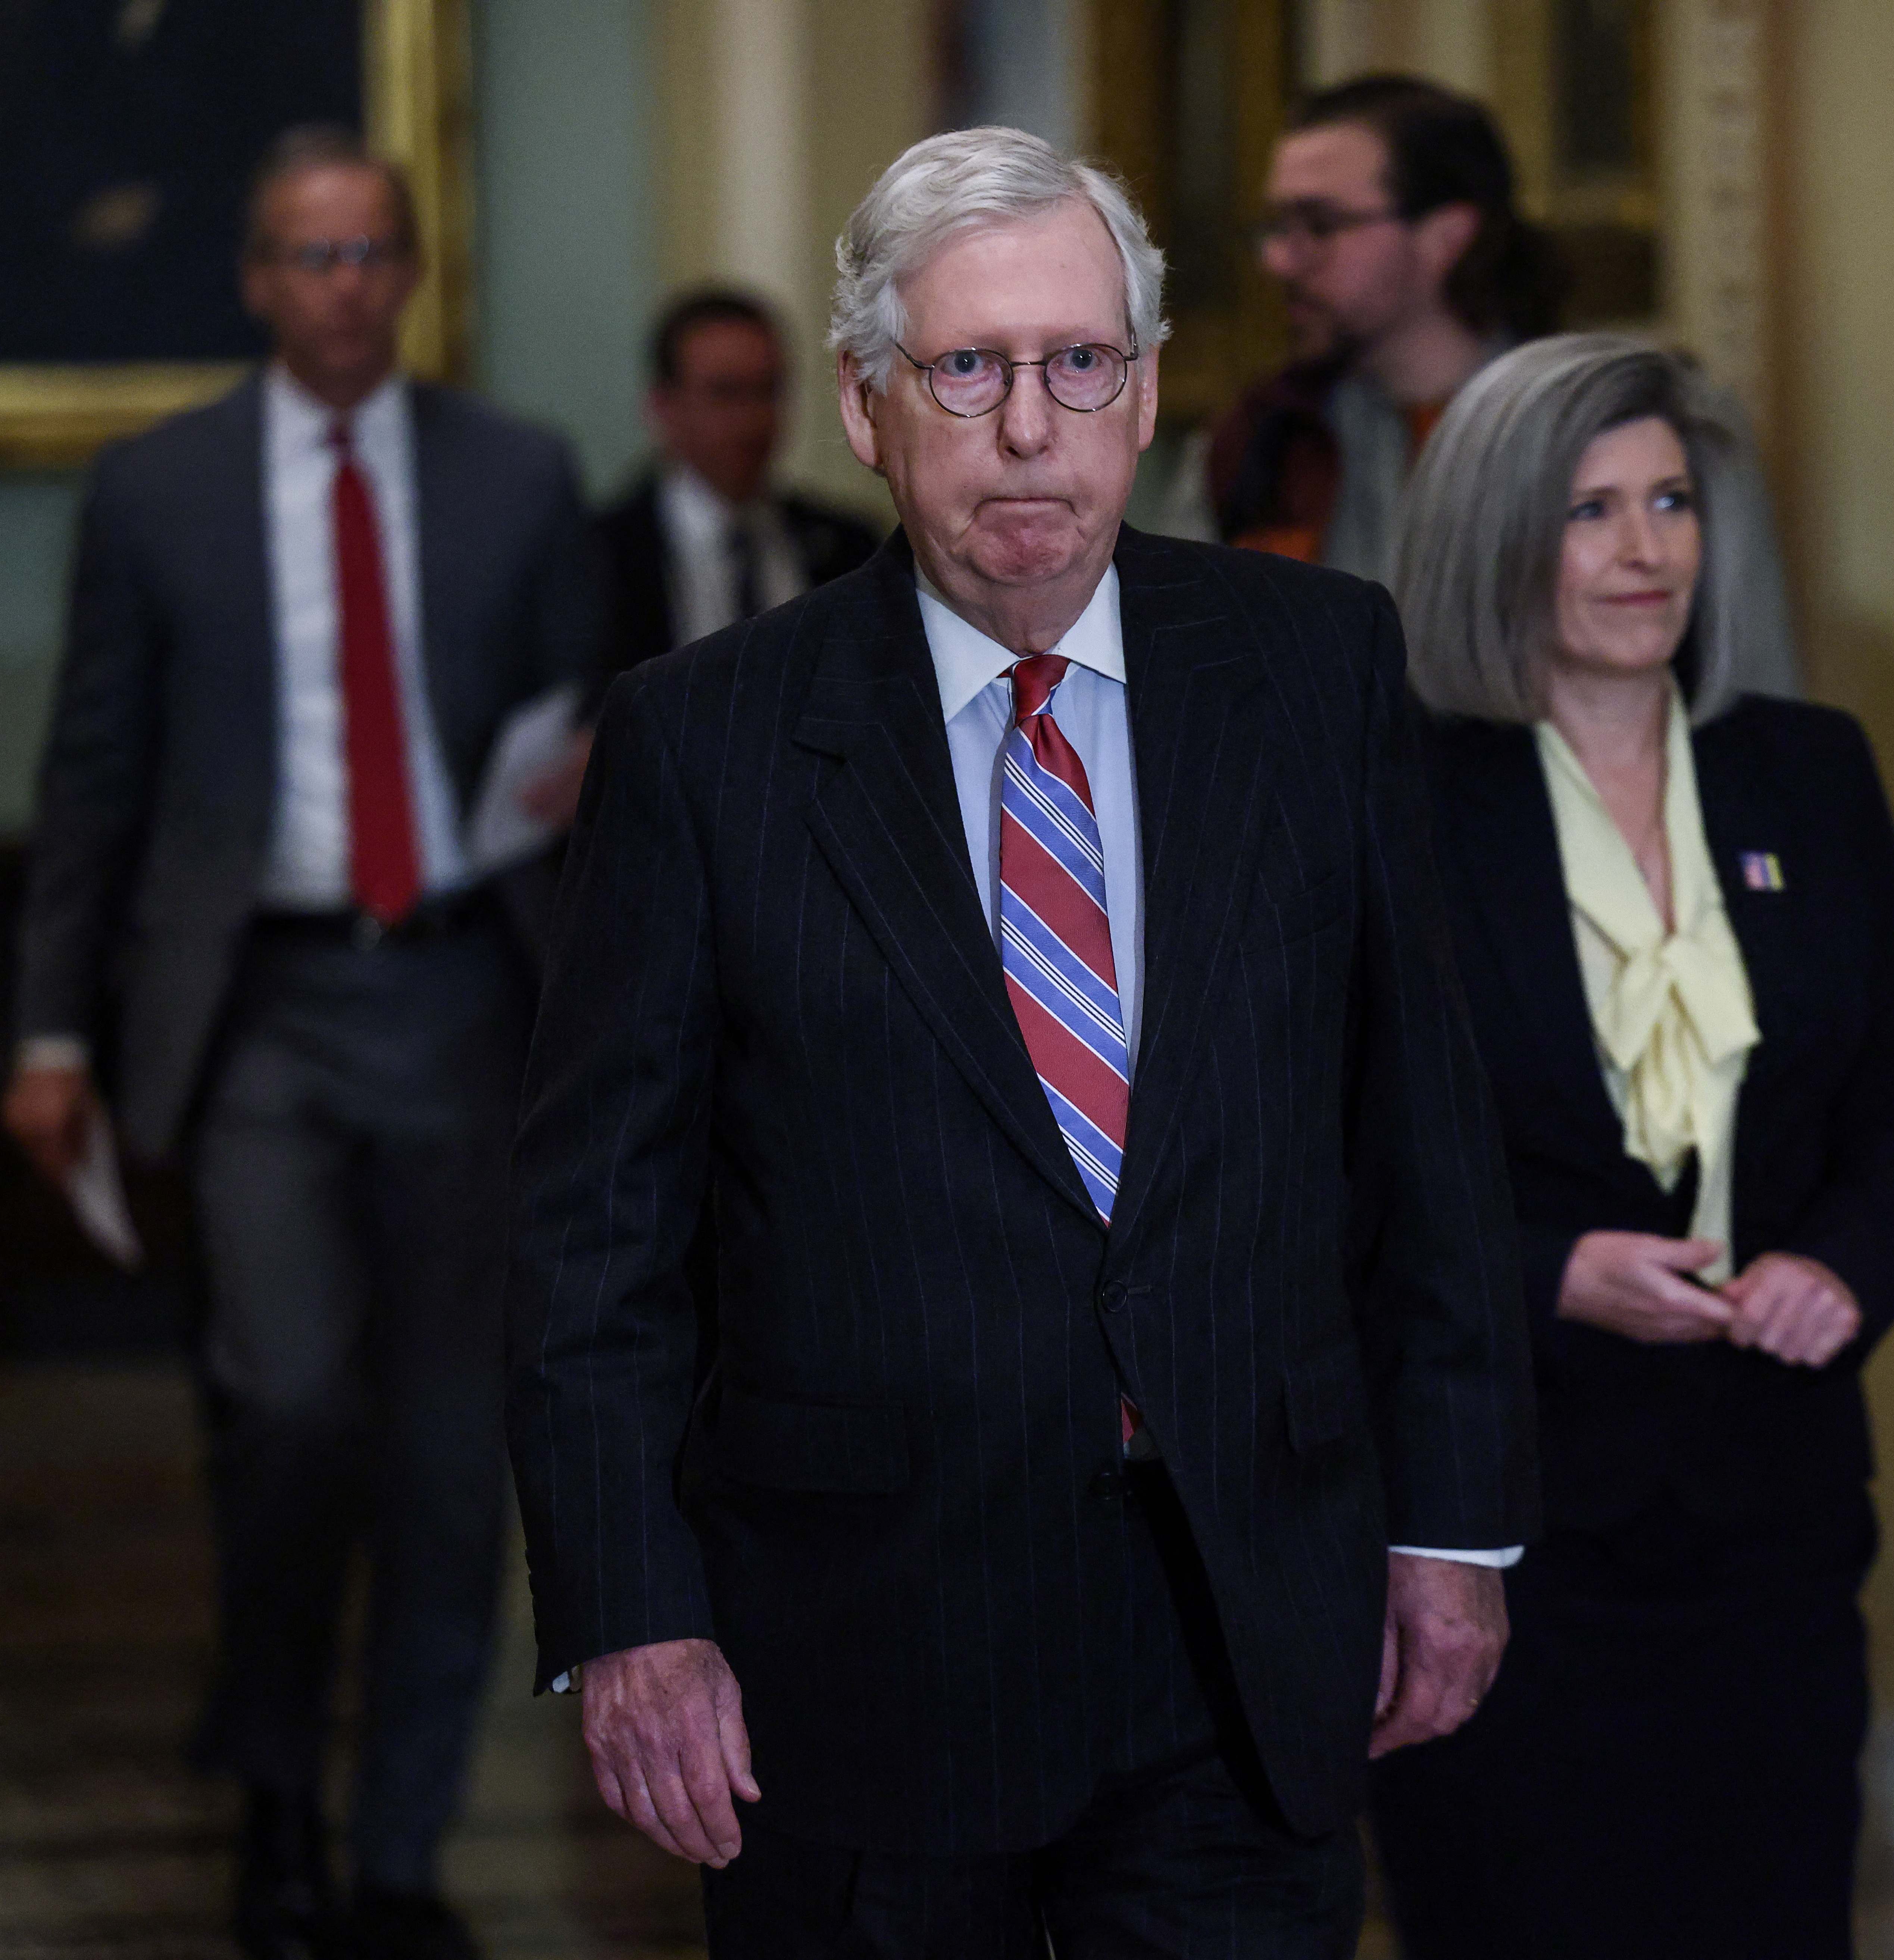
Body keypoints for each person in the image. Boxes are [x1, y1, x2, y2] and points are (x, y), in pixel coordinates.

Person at [506, 126, 1540, 1957]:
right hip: (857, 1653)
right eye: (964, 368)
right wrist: (630, 1615)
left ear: (1141, 394)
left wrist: (1454, 1527)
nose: (1024, 426)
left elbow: (1423, 1142)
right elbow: (597, 1234)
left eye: (1078, 363)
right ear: (865, 404)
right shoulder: (705, 742)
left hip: (1243, 1618)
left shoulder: (1315, 669)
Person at [3, 127, 601, 1960]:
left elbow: (588, 760)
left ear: (412, 274)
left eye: (370, 255)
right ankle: (271, 1772)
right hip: (253, 998)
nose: (342, 287)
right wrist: (47, 1023)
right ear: (255, 282)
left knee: (442, 1453)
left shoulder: (521, 474)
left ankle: (398, 1847)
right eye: (306, 257)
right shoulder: (156, 489)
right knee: (288, 1403)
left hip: (464, 993)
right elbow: (91, 771)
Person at [1372, 333, 1894, 1959]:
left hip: (1768, 1517)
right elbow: (1320, 1178)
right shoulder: (1395, 798)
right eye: (1588, 513)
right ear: (1495, 538)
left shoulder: (1810, 771)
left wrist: (1840, 1270)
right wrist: (1549, 1275)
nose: (1644, 553)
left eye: (1671, 503)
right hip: (1500, 1534)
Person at [1192, 74, 1564, 581]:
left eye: (1321, 225)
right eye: (1278, 227)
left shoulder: (1575, 429)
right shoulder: (1262, 438)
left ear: (1446, 237)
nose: (1279, 261)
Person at [595, 287, 881, 680]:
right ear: (664, 407)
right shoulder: (602, 557)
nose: (752, 420)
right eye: (725, 394)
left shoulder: (848, 546)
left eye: (767, 391)